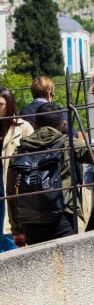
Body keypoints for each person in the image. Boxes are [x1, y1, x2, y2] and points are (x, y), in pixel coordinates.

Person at [7, 103, 94, 246]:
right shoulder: (67, 143)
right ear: (63, 125)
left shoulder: (20, 150)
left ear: (36, 125)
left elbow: (12, 192)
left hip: (30, 220)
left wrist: (16, 229)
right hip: (63, 215)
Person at [0, 87, 34, 252]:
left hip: (12, 185)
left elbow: (33, 157)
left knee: (10, 233)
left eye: (0, 104)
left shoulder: (23, 127)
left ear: (9, 105)